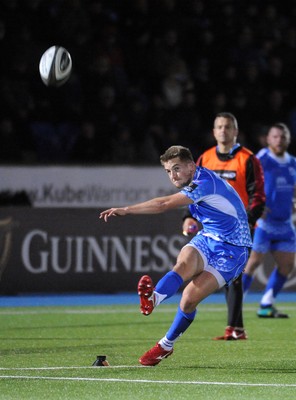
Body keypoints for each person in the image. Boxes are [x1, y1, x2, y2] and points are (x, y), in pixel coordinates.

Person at [100, 145, 252, 366]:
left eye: (177, 168)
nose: (173, 175)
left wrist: (127, 209)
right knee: (183, 264)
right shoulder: (195, 181)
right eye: (169, 171)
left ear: (191, 166)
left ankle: (165, 345)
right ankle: (154, 298)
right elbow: (200, 207)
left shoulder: (204, 183)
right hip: (208, 237)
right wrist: (189, 219)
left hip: (233, 250)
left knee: (189, 298)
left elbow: (163, 204)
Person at [182, 112, 265, 340]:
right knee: (225, 277)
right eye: (219, 127)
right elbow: (192, 192)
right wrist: (187, 217)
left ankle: (235, 329)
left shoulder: (248, 159)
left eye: (228, 127)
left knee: (234, 276)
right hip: (212, 229)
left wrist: (248, 221)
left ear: (235, 131)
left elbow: (257, 195)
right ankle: (236, 329)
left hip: (240, 228)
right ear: (213, 131)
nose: (223, 131)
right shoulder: (205, 159)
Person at [242, 123, 296, 318]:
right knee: (253, 262)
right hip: (264, 223)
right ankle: (236, 304)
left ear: (288, 139)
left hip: (284, 223)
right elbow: (246, 181)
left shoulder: (292, 162)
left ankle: (266, 304)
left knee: (287, 265)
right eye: (275, 137)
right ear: (268, 139)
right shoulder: (262, 158)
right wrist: (254, 206)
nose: (279, 140)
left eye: (283, 137)